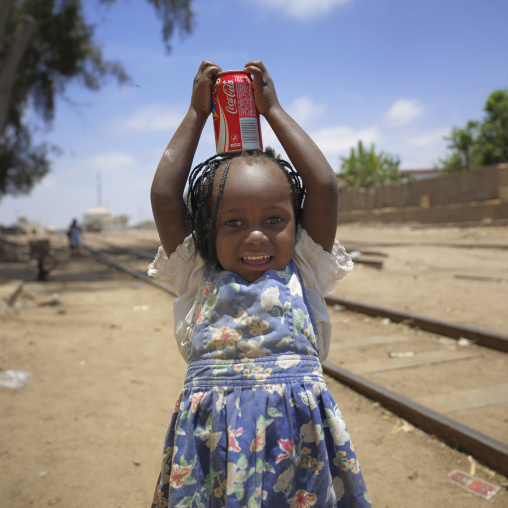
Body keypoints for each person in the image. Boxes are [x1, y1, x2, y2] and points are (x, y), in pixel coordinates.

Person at [148, 60, 371, 507]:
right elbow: (164, 196)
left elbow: (323, 186)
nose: (256, 235)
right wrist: (197, 115)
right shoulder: (198, 272)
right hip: (214, 446)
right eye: (233, 222)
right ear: (207, 230)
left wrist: (273, 111)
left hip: (298, 443)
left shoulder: (303, 267)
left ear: (295, 225)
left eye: (275, 220)